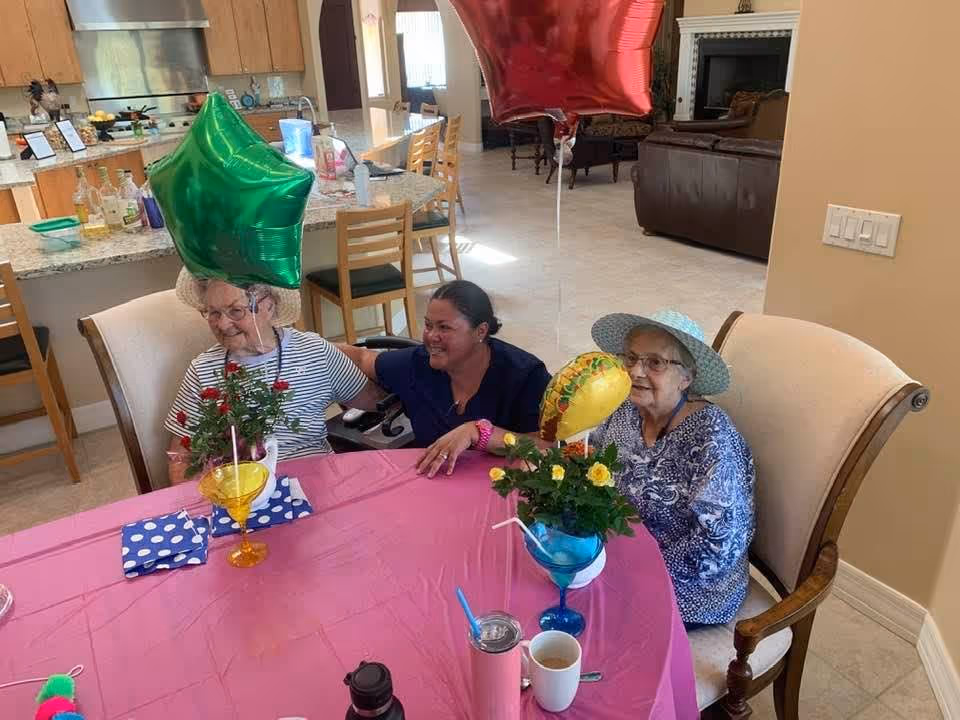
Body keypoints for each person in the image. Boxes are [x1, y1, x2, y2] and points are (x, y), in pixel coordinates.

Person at [590, 309, 755, 627]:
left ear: (687, 377)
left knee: (593, 619)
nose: (636, 371)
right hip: (622, 551)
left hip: (695, 588)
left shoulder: (712, 438)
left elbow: (717, 547)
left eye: (655, 363)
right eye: (631, 358)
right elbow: (595, 463)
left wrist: (630, 571)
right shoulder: (625, 409)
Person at [164, 268, 383, 484]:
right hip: (243, 494)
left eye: (235, 311)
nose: (222, 324)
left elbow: (378, 402)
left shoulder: (315, 352)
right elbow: (181, 458)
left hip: (318, 483)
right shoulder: (202, 371)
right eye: (213, 313)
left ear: (268, 305)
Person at [340, 281, 552, 477]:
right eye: (428, 325)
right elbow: (361, 358)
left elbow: (547, 448)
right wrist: (310, 344)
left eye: (444, 327)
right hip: (434, 488)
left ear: (480, 331)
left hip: (501, 497)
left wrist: (479, 433)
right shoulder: (417, 364)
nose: (431, 336)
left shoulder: (525, 376)